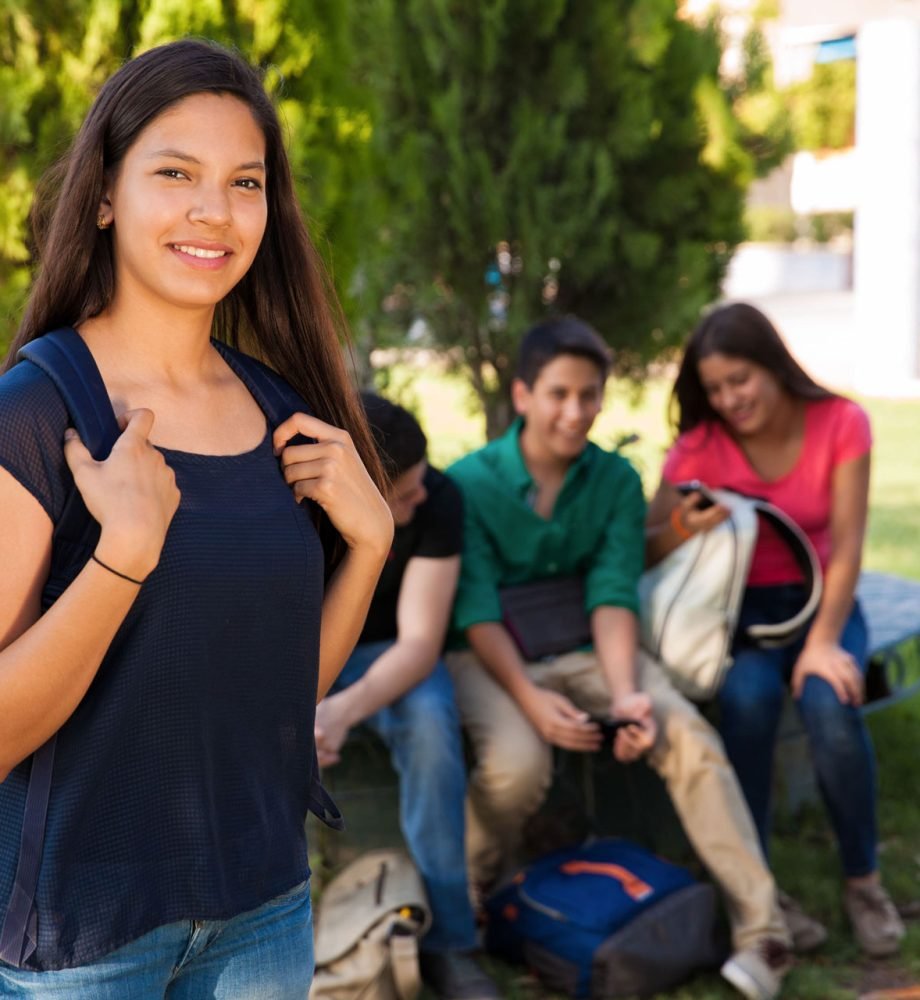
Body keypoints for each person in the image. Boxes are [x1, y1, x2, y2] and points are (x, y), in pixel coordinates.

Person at [0, 38, 394, 997]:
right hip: (85, 944)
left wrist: (372, 548)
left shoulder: (280, 412)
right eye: (175, 172)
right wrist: (122, 558)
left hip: (264, 914)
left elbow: (272, 701)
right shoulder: (39, 413)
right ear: (104, 195)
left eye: (245, 181)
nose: (214, 211)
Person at [445, 316, 792, 1000]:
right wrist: (530, 700)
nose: (575, 413)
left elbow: (611, 593)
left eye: (589, 396)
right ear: (522, 395)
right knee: (517, 763)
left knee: (688, 736)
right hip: (493, 657)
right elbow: (477, 608)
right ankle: (467, 903)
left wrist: (629, 693)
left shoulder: (614, 481)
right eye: (558, 394)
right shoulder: (469, 484)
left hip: (589, 648)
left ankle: (763, 931)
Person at [645, 301, 905, 959]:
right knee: (748, 702)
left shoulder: (841, 423)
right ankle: (759, 892)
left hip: (825, 602)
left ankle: (863, 881)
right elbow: (647, 548)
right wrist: (682, 525)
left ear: (773, 365)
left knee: (831, 701)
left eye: (741, 380)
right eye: (716, 389)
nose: (731, 399)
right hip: (741, 614)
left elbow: (848, 546)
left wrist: (822, 643)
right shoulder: (697, 448)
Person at [315, 393, 499, 1000]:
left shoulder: (438, 499)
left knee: (429, 726)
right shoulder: (299, 507)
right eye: (402, 494)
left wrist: (342, 710)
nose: (419, 499)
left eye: (421, 484)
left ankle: (451, 942)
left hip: (389, 652)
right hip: (302, 647)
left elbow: (421, 644)